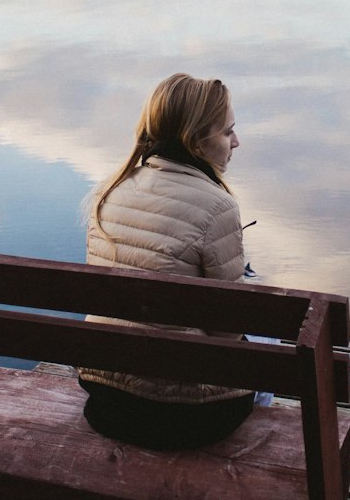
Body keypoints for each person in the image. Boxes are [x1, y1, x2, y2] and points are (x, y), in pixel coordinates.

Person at [80, 72, 254, 448]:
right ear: (196, 140)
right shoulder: (218, 207)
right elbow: (229, 329)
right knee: (263, 336)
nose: (236, 142)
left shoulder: (107, 192)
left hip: (106, 395)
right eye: (227, 132)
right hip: (186, 413)